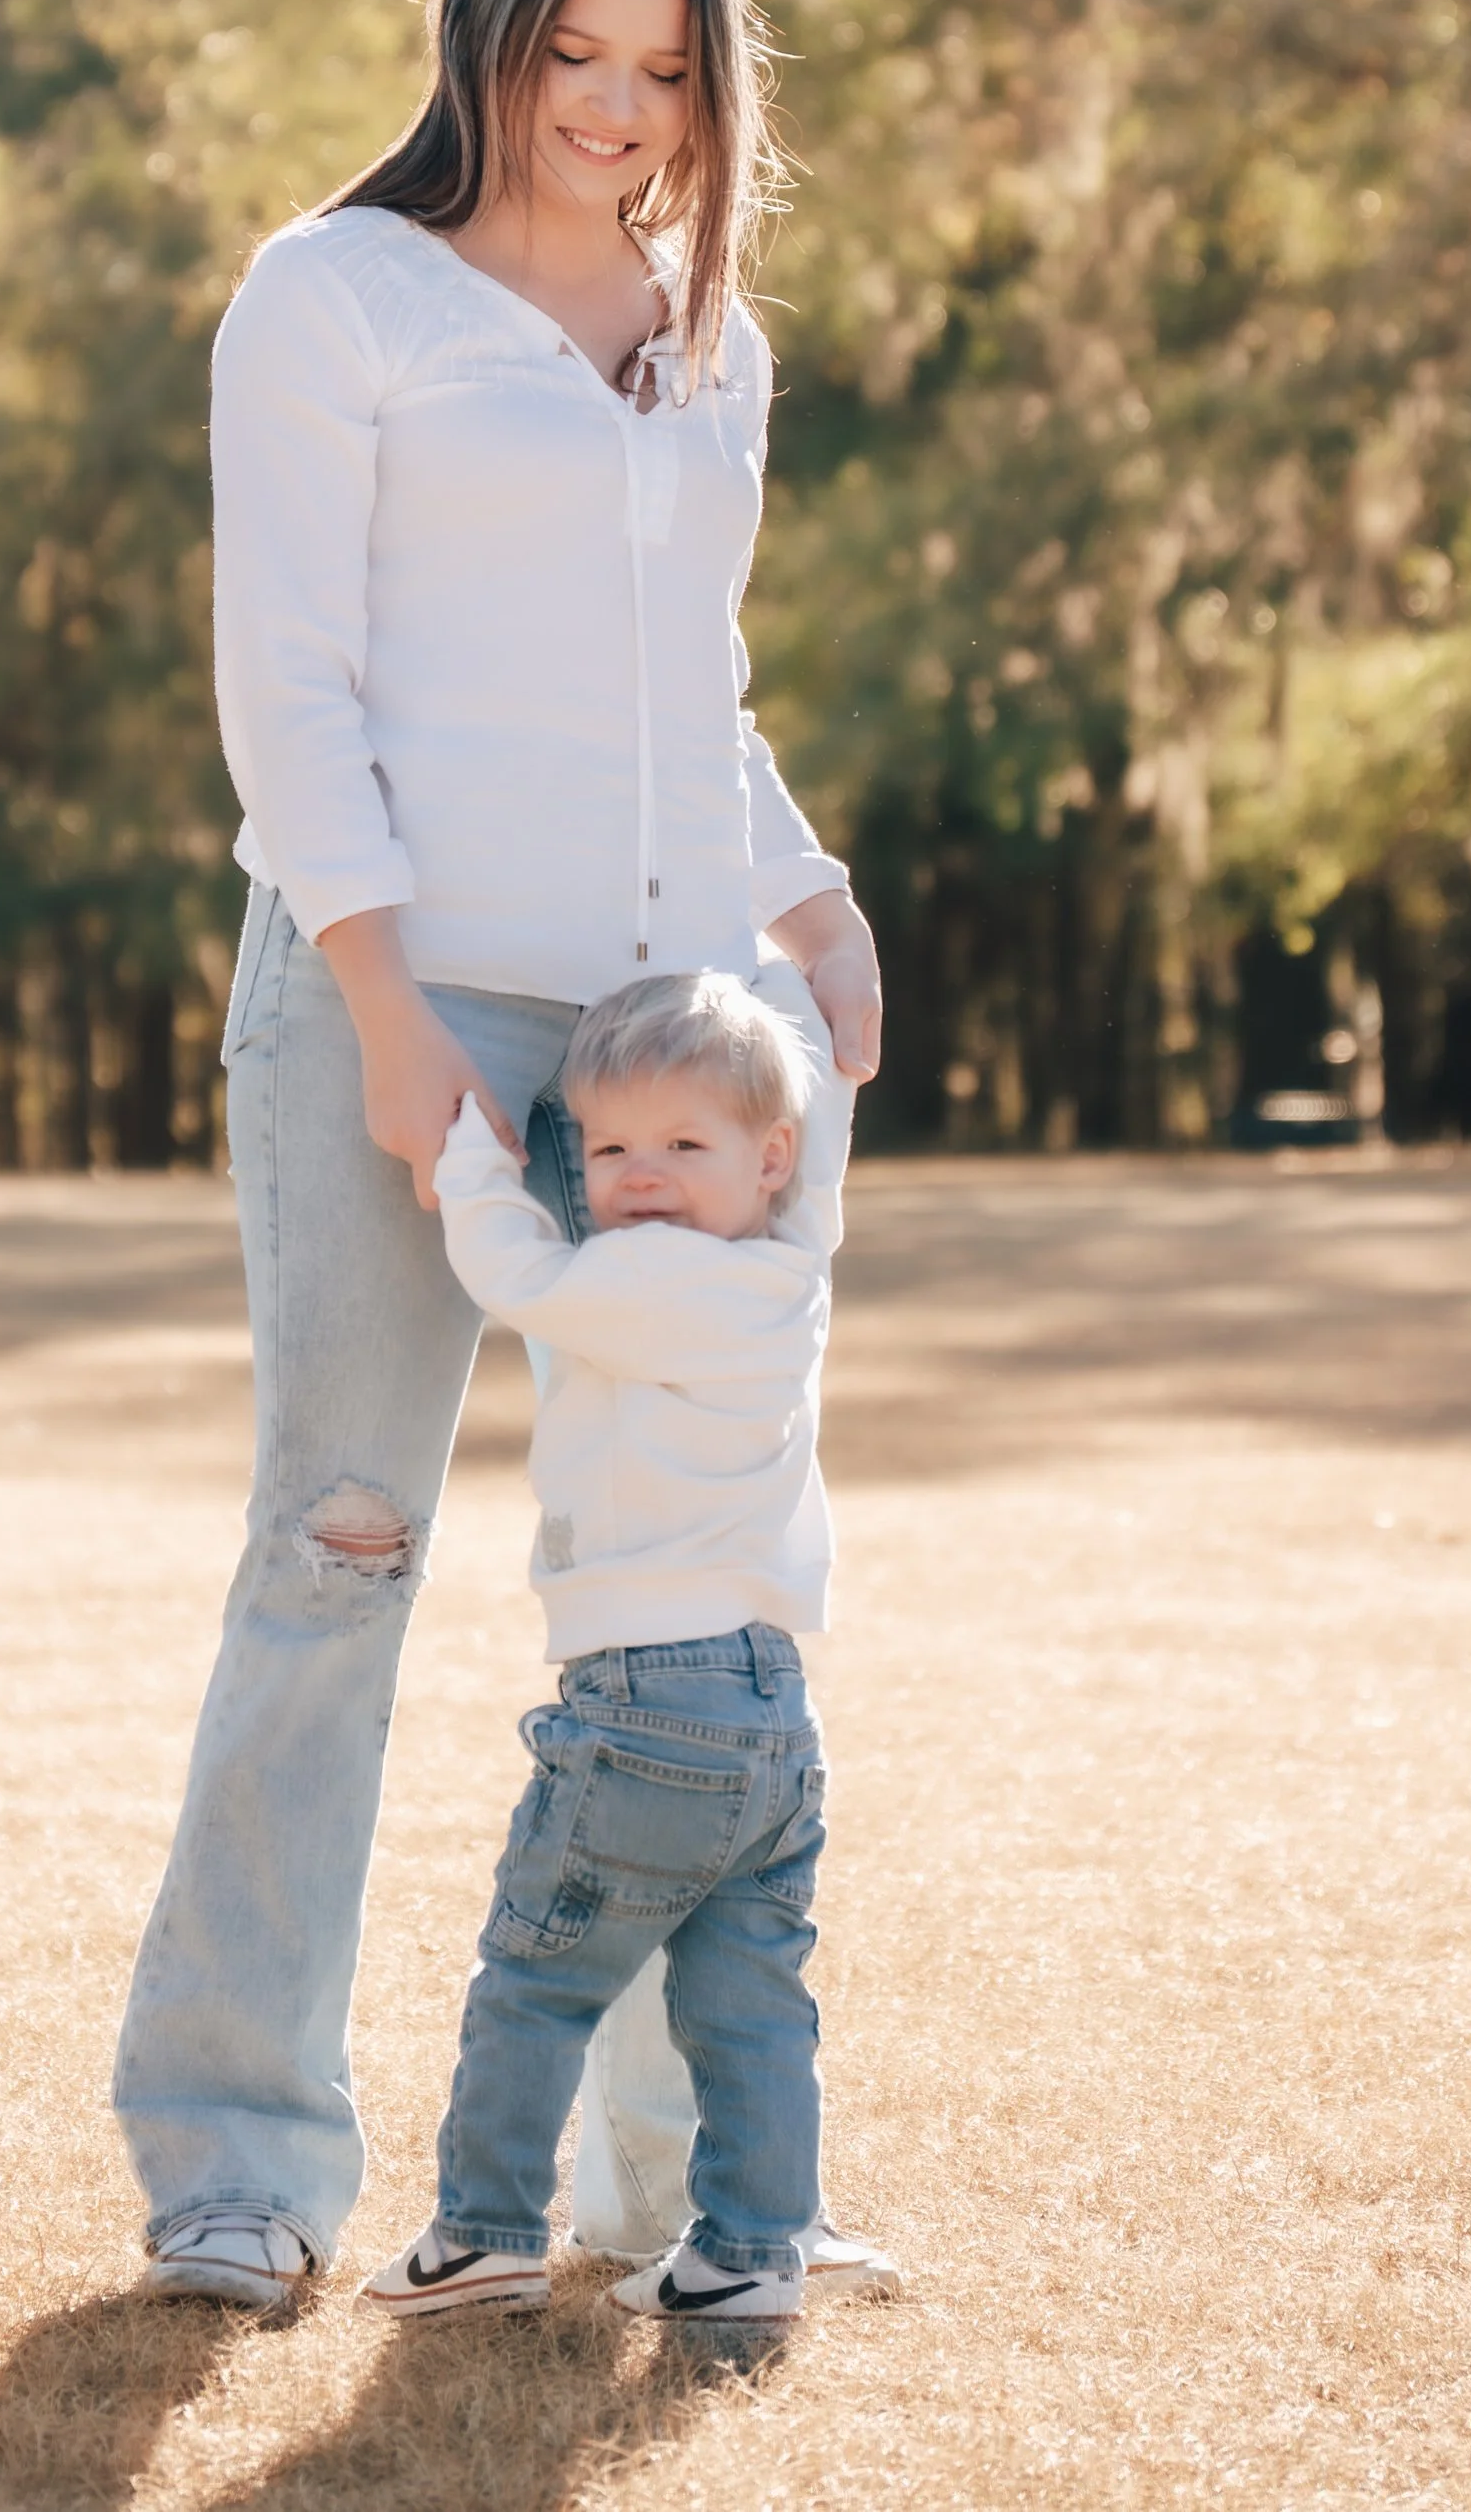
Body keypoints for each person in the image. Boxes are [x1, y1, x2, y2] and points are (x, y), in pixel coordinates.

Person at [111, 0, 888, 2310]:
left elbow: (693, 693)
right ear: (489, 35)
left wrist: (815, 898)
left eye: (662, 70)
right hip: (403, 1003)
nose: (613, 107)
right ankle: (236, 2153)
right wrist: (381, 1005)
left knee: (685, 1613)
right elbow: (292, 690)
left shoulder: (702, 335)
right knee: (337, 1557)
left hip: (674, 1038)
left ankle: (681, 2205)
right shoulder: (332, 299)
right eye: (574, 53)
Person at [362, 972, 841, 2328]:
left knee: (538, 1975)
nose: (640, 1180)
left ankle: (487, 2228)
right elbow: (816, 1150)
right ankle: (751, 2251)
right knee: (749, 2004)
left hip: (643, 1701)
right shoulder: (789, 1272)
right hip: (772, 1711)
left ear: (768, 1157)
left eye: (683, 1148)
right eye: (613, 1149)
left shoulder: (641, 1273)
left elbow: (512, 1269)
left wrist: (466, 1139)